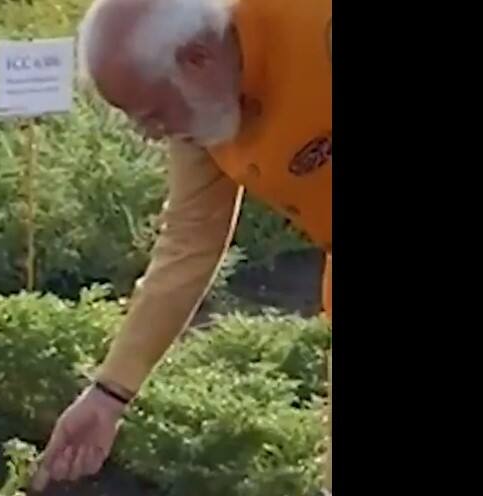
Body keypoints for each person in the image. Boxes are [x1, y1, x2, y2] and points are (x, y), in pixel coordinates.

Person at [32, 0, 332, 493]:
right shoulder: (201, 102)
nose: (151, 135)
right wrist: (110, 394)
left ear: (196, 59)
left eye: (152, 113)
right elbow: (190, 240)